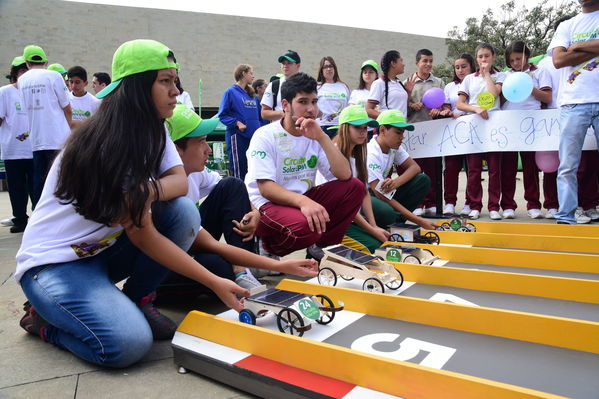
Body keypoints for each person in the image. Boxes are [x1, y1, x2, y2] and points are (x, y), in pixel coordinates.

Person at [15, 39, 256, 368]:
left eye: (174, 80)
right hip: (56, 265)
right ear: (137, 87)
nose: (175, 90)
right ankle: (45, 322)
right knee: (127, 344)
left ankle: (137, 299)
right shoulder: (106, 144)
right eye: (165, 81)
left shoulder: (154, 131)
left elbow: (178, 181)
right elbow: (145, 235)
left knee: (183, 211)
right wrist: (215, 283)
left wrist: (145, 190)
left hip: (101, 253)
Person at [160, 104, 318, 295]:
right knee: (219, 269)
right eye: (201, 142)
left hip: (190, 243)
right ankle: (242, 269)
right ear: (176, 150)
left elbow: (235, 191)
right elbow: (209, 244)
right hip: (162, 264)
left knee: (233, 185)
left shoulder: (194, 172)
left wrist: (255, 212)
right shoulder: (164, 187)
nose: (208, 150)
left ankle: (243, 270)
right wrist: (282, 266)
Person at [246, 72, 364, 260]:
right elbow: (266, 188)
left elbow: (344, 175)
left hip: (299, 200)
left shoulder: (314, 135)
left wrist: (322, 137)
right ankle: (267, 247)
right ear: (285, 105)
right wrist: (305, 203)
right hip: (267, 205)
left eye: (314, 102)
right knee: (307, 227)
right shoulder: (265, 135)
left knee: (355, 187)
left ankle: (323, 249)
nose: (311, 109)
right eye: (303, 102)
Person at [549, 1, 599, 225]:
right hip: (573, 102)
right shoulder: (567, 25)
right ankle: (566, 215)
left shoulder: (572, 32)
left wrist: (577, 45)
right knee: (568, 165)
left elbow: (566, 54)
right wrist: (593, 46)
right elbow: (559, 60)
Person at [317, 105, 390, 253]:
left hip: (349, 217)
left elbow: (364, 192)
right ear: (344, 128)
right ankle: (319, 247)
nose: (363, 132)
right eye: (358, 127)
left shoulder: (358, 152)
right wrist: (371, 229)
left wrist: (373, 225)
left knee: (382, 240)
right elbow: (344, 203)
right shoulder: (334, 152)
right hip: (332, 220)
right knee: (374, 248)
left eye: (365, 128)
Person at [500, 41, 553, 220]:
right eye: (512, 60)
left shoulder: (539, 72)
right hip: (509, 126)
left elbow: (547, 96)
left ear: (526, 56)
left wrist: (529, 87)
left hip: (532, 125)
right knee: (508, 168)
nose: (516, 62)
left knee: (531, 167)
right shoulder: (504, 76)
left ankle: (534, 205)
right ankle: (508, 205)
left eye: (519, 58)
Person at [18, 45, 73, 206]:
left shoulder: (22, 80)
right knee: (60, 181)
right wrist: (68, 126)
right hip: (58, 138)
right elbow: (66, 106)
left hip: (36, 140)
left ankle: (39, 214)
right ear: (46, 61)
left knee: (39, 182)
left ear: (27, 63)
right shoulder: (53, 75)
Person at [457, 43, 506, 220]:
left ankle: (493, 206)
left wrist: (486, 75)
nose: (483, 60)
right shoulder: (469, 78)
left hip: (494, 126)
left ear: (493, 56)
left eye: (486, 56)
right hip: (475, 125)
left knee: (494, 169)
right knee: (474, 169)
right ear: (476, 59)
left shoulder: (500, 76)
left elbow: (494, 94)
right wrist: (475, 109)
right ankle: (474, 205)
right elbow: (460, 104)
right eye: (480, 57)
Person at [367, 109, 436, 231]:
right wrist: (419, 220)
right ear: (382, 130)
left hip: (383, 193)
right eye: (398, 133)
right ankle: (388, 221)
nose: (402, 137)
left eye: (402, 133)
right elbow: (381, 194)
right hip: (366, 196)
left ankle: (395, 221)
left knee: (422, 180)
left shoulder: (393, 147)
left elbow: (415, 168)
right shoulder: (371, 152)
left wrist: (395, 183)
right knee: (385, 210)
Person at [405, 49, 445, 217]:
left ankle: (432, 202)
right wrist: (410, 103)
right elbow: (401, 107)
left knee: (433, 169)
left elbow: (445, 104)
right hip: (414, 133)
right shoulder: (407, 82)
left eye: (430, 60)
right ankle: (418, 204)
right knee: (415, 169)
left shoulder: (439, 82)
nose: (428, 64)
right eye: (424, 61)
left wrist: (439, 109)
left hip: (433, 133)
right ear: (417, 63)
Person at [440, 54, 476, 217]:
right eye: (457, 67)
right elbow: (447, 107)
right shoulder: (449, 87)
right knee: (451, 168)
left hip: (474, 130)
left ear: (471, 66)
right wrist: (447, 111)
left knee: (472, 169)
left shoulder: (478, 81)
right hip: (453, 132)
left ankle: (470, 203)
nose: (460, 70)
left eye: (464, 66)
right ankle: (449, 202)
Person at [0, 56, 33, 233]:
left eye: (27, 71)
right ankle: (20, 219)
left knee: (37, 188)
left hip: (35, 149)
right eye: (21, 71)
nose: (25, 75)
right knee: (16, 188)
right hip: (13, 150)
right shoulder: (5, 92)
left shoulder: (35, 91)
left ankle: (38, 221)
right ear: (15, 74)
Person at [218, 64, 261, 180]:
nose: (253, 76)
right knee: (239, 172)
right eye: (251, 73)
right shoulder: (230, 92)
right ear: (243, 73)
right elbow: (222, 115)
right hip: (238, 137)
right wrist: (237, 123)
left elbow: (259, 116)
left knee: (252, 170)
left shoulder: (252, 95)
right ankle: (238, 197)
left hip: (253, 138)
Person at [366, 50, 415, 119]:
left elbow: (402, 107)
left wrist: (408, 92)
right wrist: (389, 118)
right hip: (388, 128)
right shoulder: (379, 83)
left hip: (402, 127)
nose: (404, 64)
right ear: (393, 63)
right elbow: (368, 110)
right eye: (401, 61)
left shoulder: (399, 83)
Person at [261, 50, 301, 122]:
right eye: (283, 63)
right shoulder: (273, 85)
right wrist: (282, 113)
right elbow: (264, 113)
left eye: (289, 63)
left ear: (298, 65)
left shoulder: (305, 84)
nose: (285, 65)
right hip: (278, 131)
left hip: (300, 130)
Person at [315, 56, 350, 137]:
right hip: (323, 126)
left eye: (331, 66)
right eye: (325, 67)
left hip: (341, 126)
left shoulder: (343, 86)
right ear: (321, 70)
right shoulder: (317, 87)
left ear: (335, 68)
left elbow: (348, 107)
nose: (328, 69)